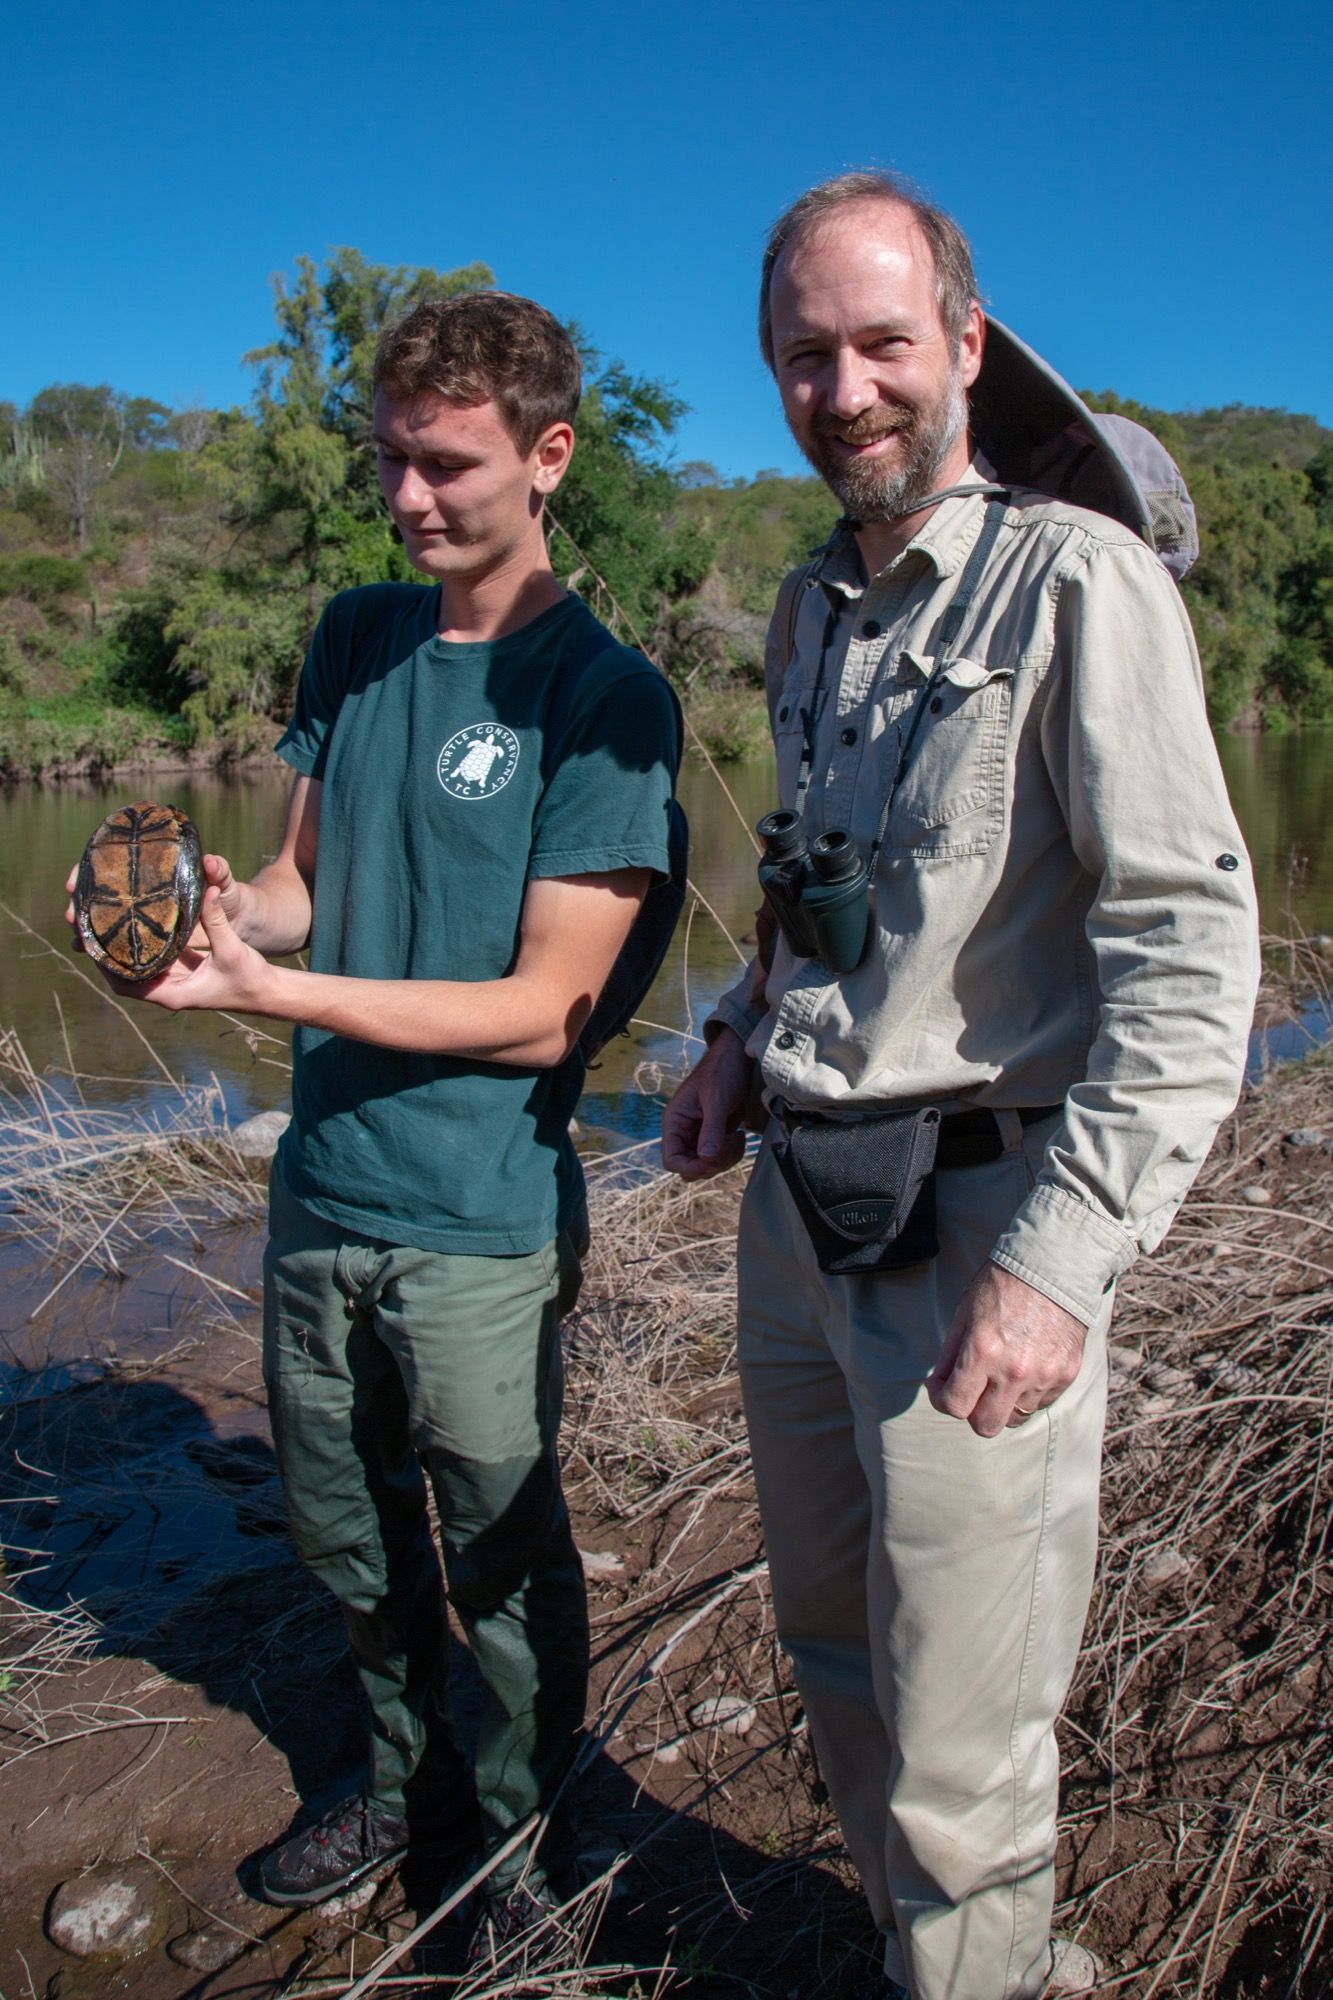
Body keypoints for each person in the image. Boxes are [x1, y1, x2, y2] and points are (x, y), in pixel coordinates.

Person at [662, 173, 1258, 2000]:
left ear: (967, 349)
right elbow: (818, 893)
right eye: (802, 356)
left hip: (980, 1226)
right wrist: (732, 1044)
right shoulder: (804, 613)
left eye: (880, 345)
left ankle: (980, 1953)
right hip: (797, 1214)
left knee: (963, 1752)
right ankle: (941, 1959)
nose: (842, 389)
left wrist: (1059, 1261)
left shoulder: (1077, 582)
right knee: (833, 1650)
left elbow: (1190, 954)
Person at [70, 292, 683, 1945]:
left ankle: (510, 1835)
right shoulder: (356, 637)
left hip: (477, 1216)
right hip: (322, 1191)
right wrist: (218, 925)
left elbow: (548, 1008)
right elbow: (299, 886)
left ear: (548, 458)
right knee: (347, 1534)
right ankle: (395, 1776)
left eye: (446, 466)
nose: (409, 499)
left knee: (497, 1542)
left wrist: (283, 999)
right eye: (391, 462)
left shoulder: (602, 696)